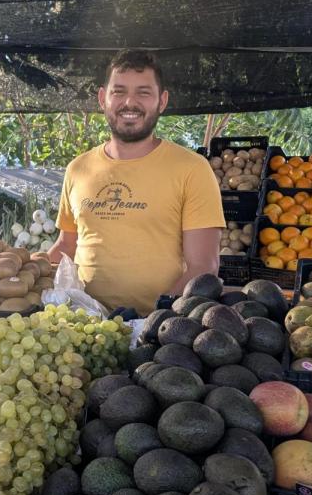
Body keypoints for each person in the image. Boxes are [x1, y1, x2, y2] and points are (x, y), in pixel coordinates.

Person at [48, 50, 226, 317]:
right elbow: (66, 246)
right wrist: (23, 267)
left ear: (162, 101)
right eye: (118, 92)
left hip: (160, 330)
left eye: (143, 92)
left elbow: (203, 266)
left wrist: (155, 320)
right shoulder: (78, 169)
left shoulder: (191, 169)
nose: (129, 102)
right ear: (102, 99)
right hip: (82, 323)